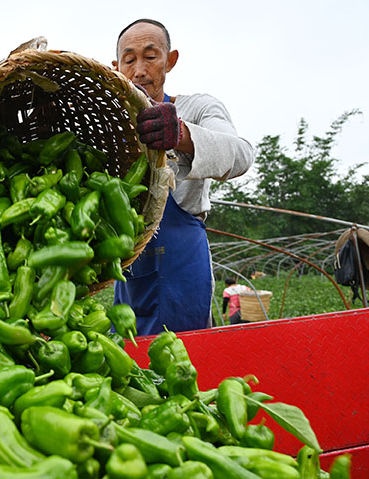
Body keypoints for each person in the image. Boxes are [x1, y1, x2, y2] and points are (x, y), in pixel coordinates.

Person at [111, 19, 254, 335]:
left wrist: (182, 135)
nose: (139, 70)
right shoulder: (112, 124)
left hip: (182, 259)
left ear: (170, 60)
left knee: (185, 357)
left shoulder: (197, 107)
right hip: (130, 262)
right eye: (129, 59)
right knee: (126, 358)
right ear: (116, 66)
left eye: (151, 56)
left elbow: (241, 154)